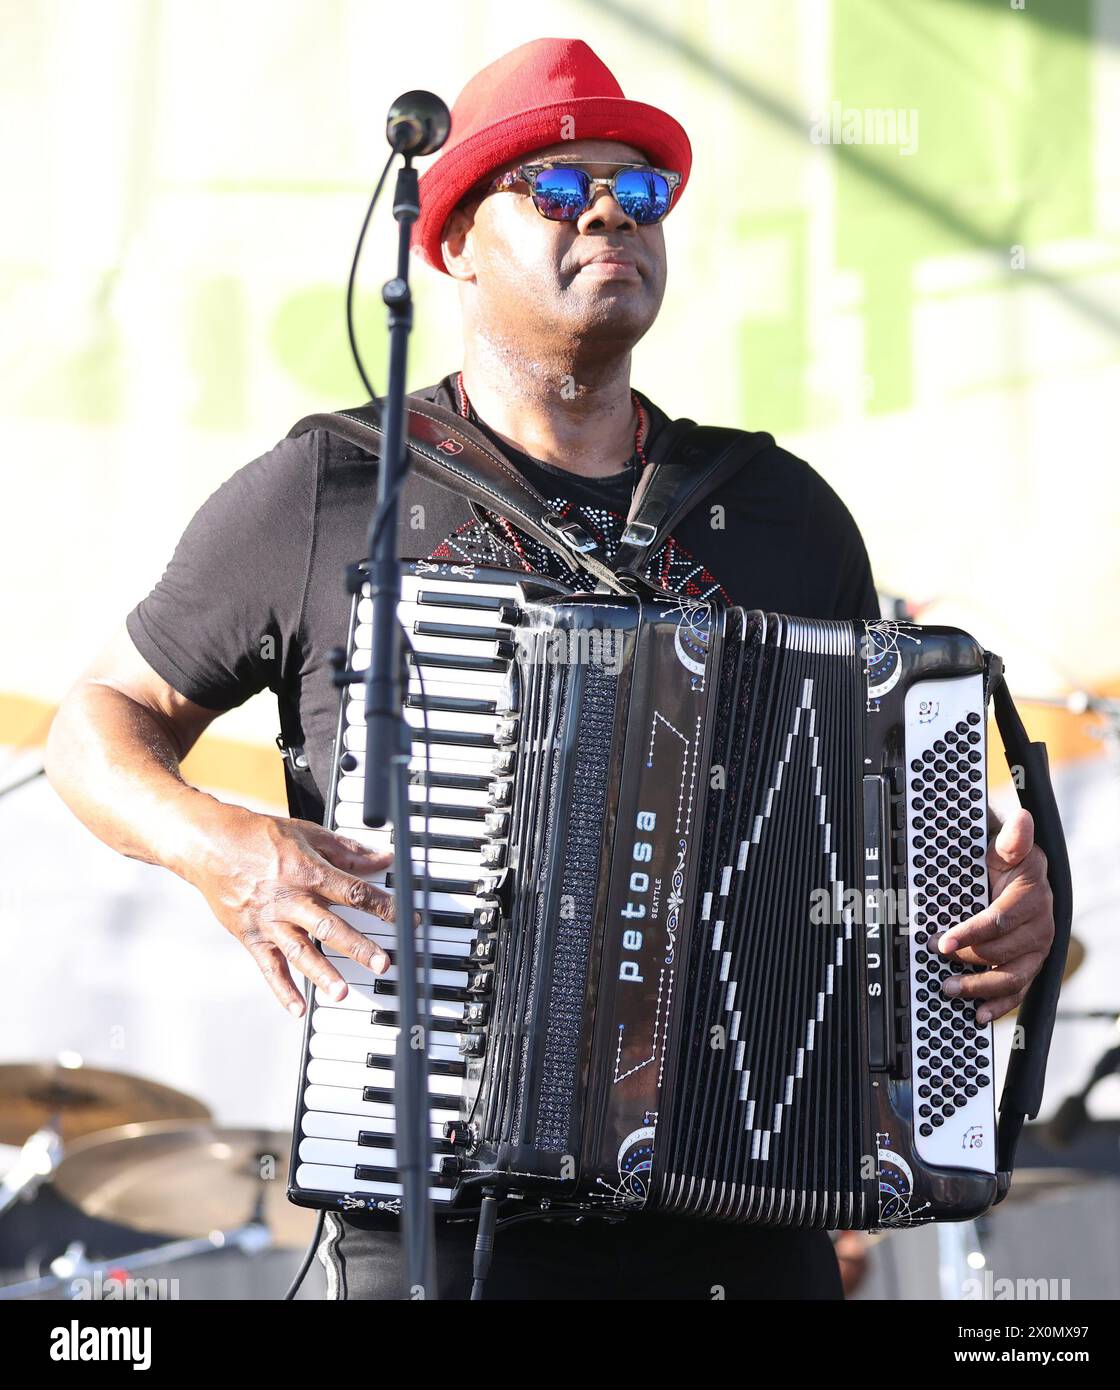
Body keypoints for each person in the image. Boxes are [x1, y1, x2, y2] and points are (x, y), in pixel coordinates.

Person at [45, 37, 1055, 1300]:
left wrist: (986, 932)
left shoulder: (784, 511)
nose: (607, 214)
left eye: (637, 193)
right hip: (450, 1218)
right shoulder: (335, 487)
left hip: (744, 1222)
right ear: (455, 240)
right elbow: (95, 727)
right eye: (557, 186)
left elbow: (869, 870)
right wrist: (223, 850)